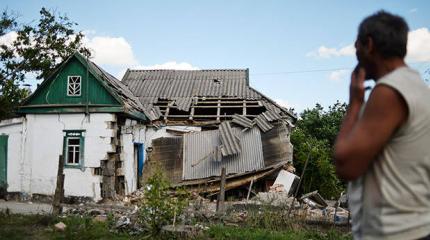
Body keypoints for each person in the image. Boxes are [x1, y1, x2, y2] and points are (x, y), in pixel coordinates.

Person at [334, 11, 430, 240]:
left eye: (357, 46)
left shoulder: (389, 91)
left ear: (369, 44)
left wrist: (355, 103)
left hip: (395, 233)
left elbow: (346, 164)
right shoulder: (417, 87)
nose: (356, 53)